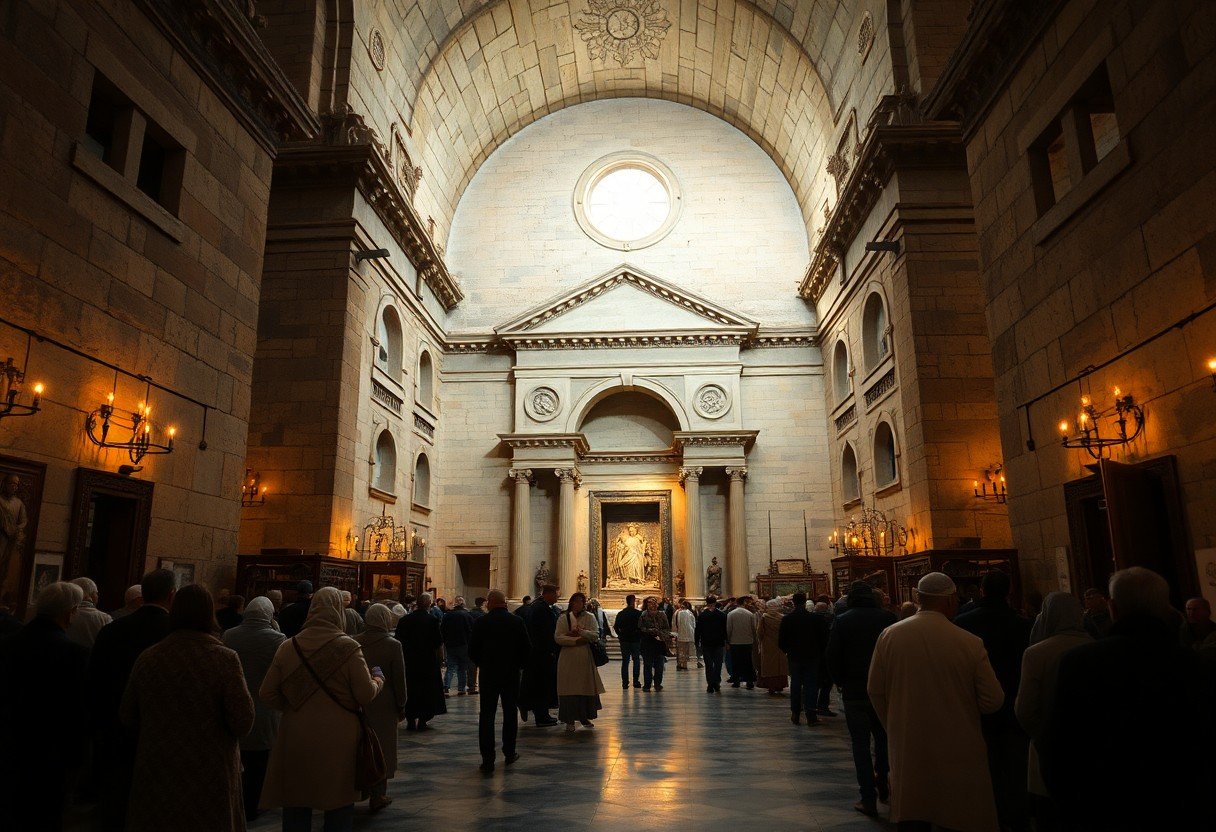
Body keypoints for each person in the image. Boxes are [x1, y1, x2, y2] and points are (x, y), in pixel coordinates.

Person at [1043, 568, 1216, 831]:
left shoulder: (1080, 663)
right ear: (1166, 608)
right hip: (1181, 807)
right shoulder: (1192, 663)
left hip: (1102, 807)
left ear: (1112, 607)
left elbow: (1059, 747)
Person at [867, 571, 1004, 832]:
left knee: (914, 812)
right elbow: (992, 700)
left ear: (918, 598)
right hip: (959, 745)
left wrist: (895, 724)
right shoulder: (969, 643)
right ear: (952, 600)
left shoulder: (890, 636)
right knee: (958, 814)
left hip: (910, 744)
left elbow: (875, 690)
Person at [120, 584, 253, 832]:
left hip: (159, 767)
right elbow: (243, 720)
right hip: (210, 770)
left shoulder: (149, 657)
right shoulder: (223, 658)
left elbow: (128, 714)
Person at [260, 587, 384, 832]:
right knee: (338, 802)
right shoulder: (348, 648)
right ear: (339, 610)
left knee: (296, 801)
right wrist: (378, 680)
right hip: (339, 736)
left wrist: (295, 705)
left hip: (296, 734)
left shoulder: (289, 646)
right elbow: (365, 694)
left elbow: (267, 693)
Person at [88, 567, 177, 832]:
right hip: (159, 732)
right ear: (171, 596)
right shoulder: (174, 633)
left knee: (115, 799)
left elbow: (94, 679)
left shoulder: (112, 630)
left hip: (113, 726)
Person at [0, 582, 89, 832]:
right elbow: (78, 710)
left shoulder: (8, 644)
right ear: (69, 612)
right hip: (53, 753)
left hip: (10, 745)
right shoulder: (75, 654)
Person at [954, 570, 1032, 832]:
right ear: (1008, 592)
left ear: (982, 590)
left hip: (975, 706)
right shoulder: (1023, 624)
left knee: (982, 765)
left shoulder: (964, 623)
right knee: (1014, 767)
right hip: (1014, 704)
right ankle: (1014, 818)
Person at [1012, 592, 1090, 832]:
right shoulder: (1095, 646)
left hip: (1048, 747)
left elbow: (1025, 709)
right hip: (1090, 747)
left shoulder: (1037, 652)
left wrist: (1044, 737)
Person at [826, 581, 896, 816]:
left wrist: (840, 682)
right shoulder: (888, 618)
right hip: (884, 691)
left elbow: (833, 655)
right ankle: (885, 784)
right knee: (884, 740)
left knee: (860, 745)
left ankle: (868, 798)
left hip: (854, 692)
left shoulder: (843, 620)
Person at [221, 595, 285, 823]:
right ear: (269, 615)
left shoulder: (229, 635)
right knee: (260, 760)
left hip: (234, 702)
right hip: (265, 706)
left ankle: (235, 798)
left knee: (238, 755)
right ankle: (254, 803)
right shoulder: (277, 639)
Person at [469, 590, 531, 771]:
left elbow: (472, 650)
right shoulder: (516, 621)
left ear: (489, 602)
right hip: (511, 674)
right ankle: (510, 752)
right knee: (510, 713)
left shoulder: (481, 621)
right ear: (504, 602)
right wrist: (518, 666)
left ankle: (487, 759)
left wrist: (482, 663)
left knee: (486, 715)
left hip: (488, 674)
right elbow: (527, 648)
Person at [353, 604, 407, 811]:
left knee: (360, 746)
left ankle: (361, 789)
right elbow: (398, 678)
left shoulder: (354, 641)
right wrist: (402, 703)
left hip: (359, 700)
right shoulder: (393, 645)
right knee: (382, 748)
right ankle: (378, 795)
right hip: (385, 702)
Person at [395, 592, 447, 730]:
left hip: (409, 661)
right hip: (427, 661)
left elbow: (398, 641)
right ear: (429, 604)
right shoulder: (432, 620)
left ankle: (410, 719)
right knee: (426, 690)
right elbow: (438, 643)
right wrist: (441, 660)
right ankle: (423, 720)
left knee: (411, 689)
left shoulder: (405, 620)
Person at [554, 591, 605, 731]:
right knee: (568, 688)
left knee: (584, 687)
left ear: (584, 604)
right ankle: (569, 719)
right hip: (567, 657)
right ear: (571, 602)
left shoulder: (590, 617)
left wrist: (581, 632)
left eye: (580, 602)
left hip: (584, 657)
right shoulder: (563, 618)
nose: (577, 604)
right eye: (574, 601)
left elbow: (595, 635)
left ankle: (584, 716)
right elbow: (558, 637)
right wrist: (577, 640)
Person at [778, 590, 830, 725]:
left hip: (794, 657)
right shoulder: (815, 619)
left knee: (795, 684)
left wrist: (788, 651)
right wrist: (819, 652)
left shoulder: (787, 619)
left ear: (793, 602)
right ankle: (811, 715)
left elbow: (781, 641)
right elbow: (824, 639)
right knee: (811, 685)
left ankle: (795, 713)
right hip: (812, 656)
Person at [520, 584, 560, 725]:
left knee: (538, 684)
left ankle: (534, 709)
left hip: (538, 652)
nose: (558, 596)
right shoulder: (541, 609)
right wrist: (550, 650)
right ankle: (541, 716)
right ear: (548, 594)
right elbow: (545, 633)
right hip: (541, 653)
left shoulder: (538, 607)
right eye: (556, 594)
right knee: (542, 686)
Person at [440, 595, 475, 696]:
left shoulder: (447, 615)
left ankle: (446, 687)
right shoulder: (467, 615)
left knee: (450, 666)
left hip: (450, 644)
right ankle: (461, 688)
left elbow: (442, 629)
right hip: (463, 644)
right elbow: (471, 630)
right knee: (462, 667)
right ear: (463, 604)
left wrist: (445, 641)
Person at [695, 596, 728, 693]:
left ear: (706, 602)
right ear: (715, 602)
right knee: (718, 664)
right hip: (718, 643)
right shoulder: (722, 615)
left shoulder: (702, 615)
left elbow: (698, 630)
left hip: (706, 643)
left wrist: (697, 641)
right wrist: (727, 641)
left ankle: (710, 684)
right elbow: (725, 630)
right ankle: (716, 682)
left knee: (708, 665)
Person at [67, 576, 112, 647]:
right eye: (96, 593)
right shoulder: (105, 618)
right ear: (90, 595)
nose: (97, 596)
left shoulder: (62, 614)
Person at [755, 598, 788, 693]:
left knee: (769, 665)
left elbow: (759, 631)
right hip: (780, 644)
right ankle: (780, 685)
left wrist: (760, 641)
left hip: (767, 644)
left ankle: (771, 686)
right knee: (779, 665)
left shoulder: (765, 617)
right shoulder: (782, 617)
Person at [638, 595, 670, 691]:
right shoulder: (643, 614)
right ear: (647, 605)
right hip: (647, 641)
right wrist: (649, 630)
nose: (652, 605)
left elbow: (666, 627)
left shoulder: (662, 614)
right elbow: (640, 627)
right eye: (650, 603)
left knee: (659, 665)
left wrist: (662, 634)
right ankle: (647, 684)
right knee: (647, 665)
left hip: (659, 642)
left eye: (654, 602)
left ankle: (657, 683)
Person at [812, 600, 837, 716]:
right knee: (827, 683)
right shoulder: (832, 619)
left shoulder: (810, 620)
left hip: (813, 655)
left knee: (813, 682)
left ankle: (810, 705)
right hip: (828, 655)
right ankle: (823, 706)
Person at [726, 594, 757, 688]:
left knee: (736, 662)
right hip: (747, 641)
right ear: (744, 603)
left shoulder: (731, 614)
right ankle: (750, 681)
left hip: (735, 642)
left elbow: (729, 629)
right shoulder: (750, 614)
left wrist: (728, 641)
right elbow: (753, 628)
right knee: (748, 662)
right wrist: (754, 640)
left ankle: (736, 681)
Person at [613, 593, 642, 689]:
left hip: (624, 639)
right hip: (635, 639)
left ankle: (625, 683)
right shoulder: (638, 613)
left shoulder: (621, 613)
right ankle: (636, 681)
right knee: (636, 660)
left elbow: (616, 627)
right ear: (633, 601)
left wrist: (620, 635)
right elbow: (641, 627)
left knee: (625, 661)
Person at [673, 599, 696, 671]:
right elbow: (693, 624)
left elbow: (674, 623)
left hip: (680, 634)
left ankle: (681, 664)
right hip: (688, 634)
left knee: (681, 650)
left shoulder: (677, 612)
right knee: (685, 650)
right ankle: (684, 664)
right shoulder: (690, 613)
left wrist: (674, 633)